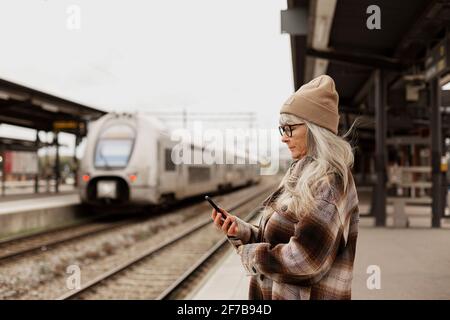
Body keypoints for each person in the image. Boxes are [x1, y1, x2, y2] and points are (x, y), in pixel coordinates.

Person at [211, 75, 360, 300]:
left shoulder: (329, 183)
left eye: (289, 129)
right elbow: (280, 239)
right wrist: (243, 232)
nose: (283, 138)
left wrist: (249, 253)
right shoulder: (300, 172)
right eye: (282, 129)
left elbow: (305, 261)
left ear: (314, 130)